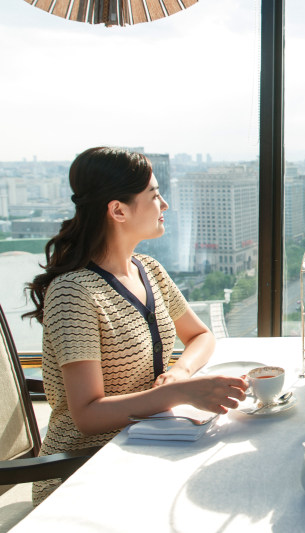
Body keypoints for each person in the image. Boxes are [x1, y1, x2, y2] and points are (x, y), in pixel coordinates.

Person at [24, 147, 248, 504]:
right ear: (118, 210)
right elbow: (87, 415)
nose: (165, 205)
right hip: (85, 471)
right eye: (155, 195)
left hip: (148, 445)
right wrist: (182, 393)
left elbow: (201, 335)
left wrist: (181, 373)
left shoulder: (148, 269)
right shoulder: (73, 293)